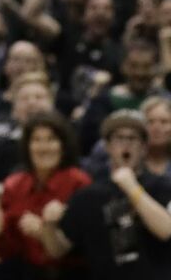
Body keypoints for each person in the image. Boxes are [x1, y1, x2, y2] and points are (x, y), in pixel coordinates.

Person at [37, 110, 171, 279]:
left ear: (144, 147)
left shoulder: (162, 186)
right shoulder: (88, 195)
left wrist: (132, 188)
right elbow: (58, 250)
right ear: (107, 147)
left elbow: (167, 230)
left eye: (132, 138)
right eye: (118, 138)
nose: (126, 145)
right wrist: (49, 225)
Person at [0, 110, 90, 274]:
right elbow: (5, 246)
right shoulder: (14, 185)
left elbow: (85, 244)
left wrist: (43, 232)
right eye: (36, 140)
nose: (43, 148)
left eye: (51, 139)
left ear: (63, 145)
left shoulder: (79, 182)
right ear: (27, 146)